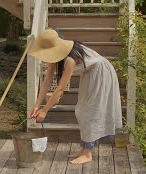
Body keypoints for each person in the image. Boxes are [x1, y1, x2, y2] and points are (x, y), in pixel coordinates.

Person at [28, 29, 122, 164]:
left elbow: (60, 89)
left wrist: (44, 111)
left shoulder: (70, 60)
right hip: (91, 74)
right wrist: (37, 105)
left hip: (101, 74)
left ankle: (88, 153)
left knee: (88, 111)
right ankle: (85, 148)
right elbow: (47, 81)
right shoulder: (56, 56)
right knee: (82, 110)